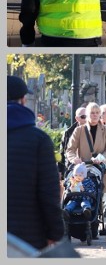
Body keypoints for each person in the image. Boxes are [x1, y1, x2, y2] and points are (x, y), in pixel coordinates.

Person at [7, 75, 64, 250]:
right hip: (27, 237)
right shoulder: (38, 140)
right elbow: (48, 191)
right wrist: (55, 232)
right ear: (23, 100)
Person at [66, 101, 106, 216]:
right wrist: (74, 159)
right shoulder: (79, 130)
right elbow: (70, 149)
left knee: (97, 196)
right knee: (77, 192)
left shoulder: (105, 130)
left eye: (97, 112)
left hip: (98, 167)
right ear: (87, 114)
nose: (95, 115)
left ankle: (95, 219)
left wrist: (102, 158)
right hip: (81, 169)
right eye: (92, 113)